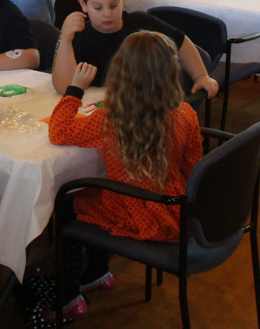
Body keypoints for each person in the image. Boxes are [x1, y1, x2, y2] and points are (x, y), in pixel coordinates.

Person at [45, 32, 204, 321]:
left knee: (70, 200)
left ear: (121, 72)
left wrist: (74, 90)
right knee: (91, 194)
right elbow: (193, 170)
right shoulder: (185, 114)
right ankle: (96, 271)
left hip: (136, 211)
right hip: (177, 211)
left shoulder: (111, 119)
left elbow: (59, 131)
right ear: (171, 73)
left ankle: (68, 296)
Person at [50, 0, 218, 98]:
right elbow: (65, 87)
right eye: (98, 8)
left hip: (147, 102)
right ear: (83, 4)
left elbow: (180, 41)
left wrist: (201, 76)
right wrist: (64, 39)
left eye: (114, 6)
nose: (107, 14)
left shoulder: (141, 22)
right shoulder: (80, 35)